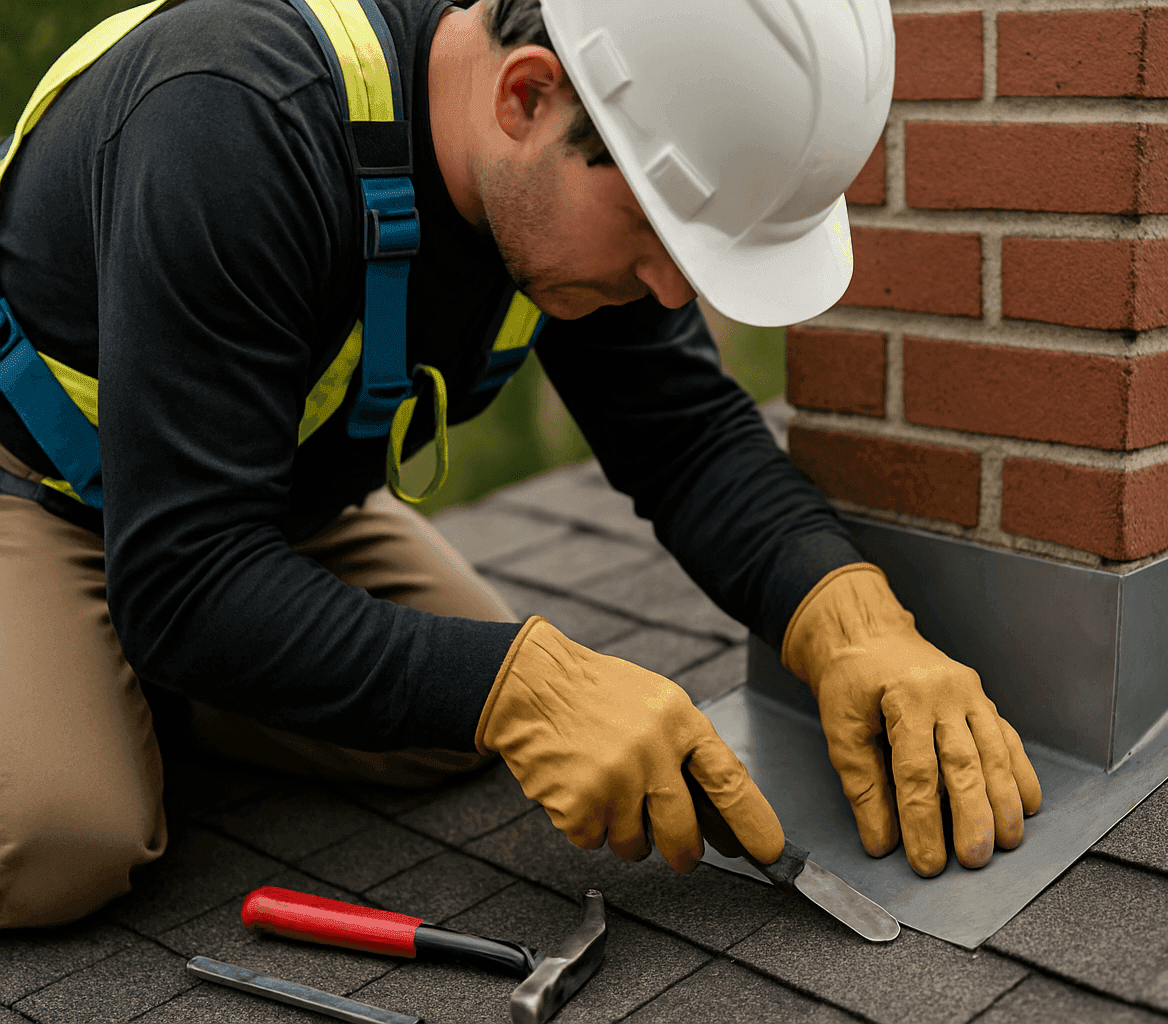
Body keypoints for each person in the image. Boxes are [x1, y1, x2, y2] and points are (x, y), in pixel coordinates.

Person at [0, 0, 1041, 930]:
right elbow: (183, 575)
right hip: (37, 489)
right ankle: (117, 678)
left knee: (445, 732)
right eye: (654, 229)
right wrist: (515, 684)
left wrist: (853, 620)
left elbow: (684, 433)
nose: (674, 295)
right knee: (62, 839)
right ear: (525, 93)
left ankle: (145, 677)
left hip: (255, 502)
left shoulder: (551, 176)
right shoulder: (232, 115)